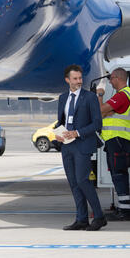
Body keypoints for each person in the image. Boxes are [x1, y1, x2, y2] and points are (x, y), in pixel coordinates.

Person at [55, 64, 106, 231]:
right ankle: (81, 219)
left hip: (82, 144)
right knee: (73, 183)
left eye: (80, 78)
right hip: (67, 146)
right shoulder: (63, 98)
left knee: (83, 181)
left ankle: (99, 217)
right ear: (67, 80)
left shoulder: (89, 98)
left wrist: (77, 133)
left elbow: (97, 123)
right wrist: (57, 133)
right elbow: (61, 121)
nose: (78, 81)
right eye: (75, 79)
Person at [99, 68, 130, 220]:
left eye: (111, 79)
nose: (110, 82)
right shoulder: (121, 96)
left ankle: (125, 212)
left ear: (117, 78)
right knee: (119, 175)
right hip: (118, 141)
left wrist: (99, 94)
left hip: (118, 140)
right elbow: (105, 113)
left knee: (119, 175)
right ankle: (123, 209)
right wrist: (105, 111)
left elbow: (99, 111)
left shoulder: (123, 95)